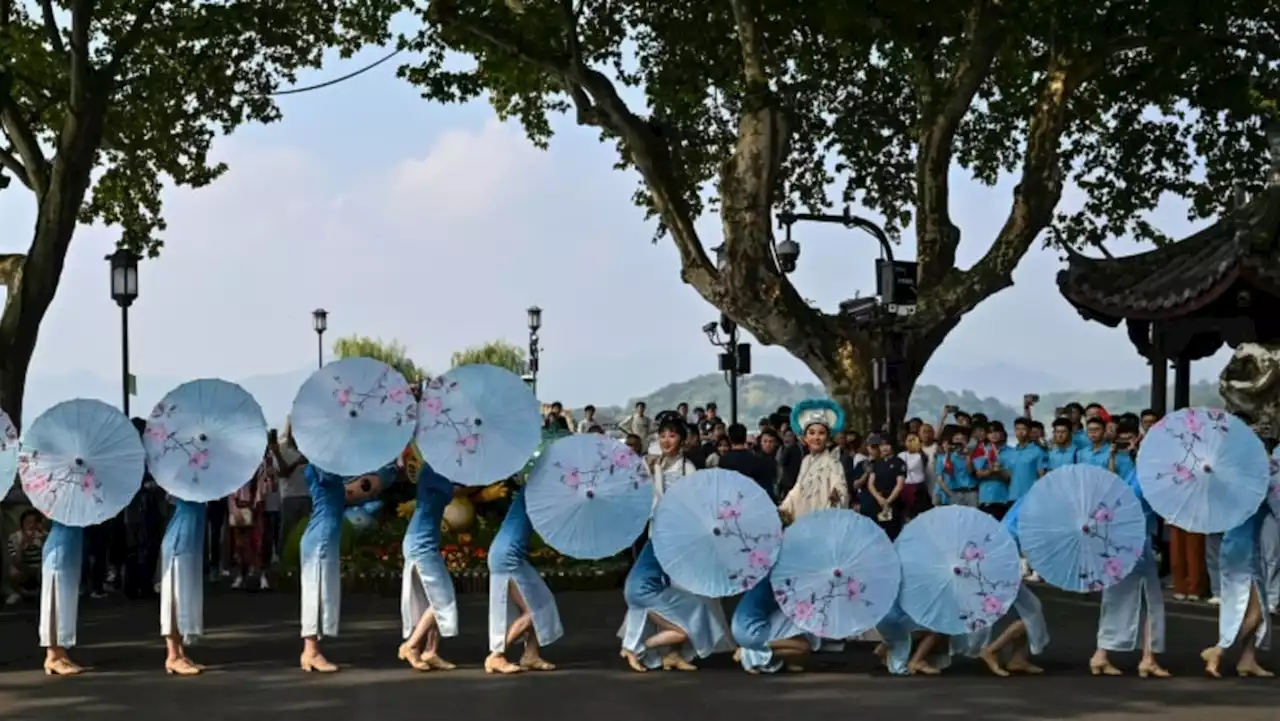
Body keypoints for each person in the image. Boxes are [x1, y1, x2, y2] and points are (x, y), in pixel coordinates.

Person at [1090, 467, 1169, 678]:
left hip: (1117, 543)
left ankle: (1102, 653)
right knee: (1151, 603)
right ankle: (1148, 659)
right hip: (1136, 545)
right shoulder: (1150, 479)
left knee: (1116, 599)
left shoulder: (1132, 475)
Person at [966, 498, 1050, 676]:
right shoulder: (1035, 507)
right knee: (1031, 612)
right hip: (1000, 562)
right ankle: (991, 650)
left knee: (1031, 608)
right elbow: (1028, 539)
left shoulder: (1029, 502)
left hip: (999, 559)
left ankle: (1017, 658)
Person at [619, 540, 732, 672]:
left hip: (636, 589)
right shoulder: (667, 543)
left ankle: (665, 654)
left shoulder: (655, 542)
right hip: (645, 592)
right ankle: (633, 648)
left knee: (688, 610)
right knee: (684, 627)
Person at [485, 486, 563, 674]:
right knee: (534, 610)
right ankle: (496, 655)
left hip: (509, 556)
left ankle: (531, 654)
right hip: (507, 557)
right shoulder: (536, 492)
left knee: (544, 602)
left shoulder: (537, 492)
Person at [1200, 502, 1273, 678]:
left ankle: (1247, 660)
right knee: (1256, 612)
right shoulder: (1258, 486)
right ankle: (1219, 650)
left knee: (1251, 607)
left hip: (1239, 546)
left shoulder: (1244, 487)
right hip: (1244, 550)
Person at [399, 460, 459, 672]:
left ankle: (431, 651)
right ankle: (411, 645)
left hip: (424, 541)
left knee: (431, 600)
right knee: (443, 600)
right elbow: (449, 490)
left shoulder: (440, 469)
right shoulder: (435, 470)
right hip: (420, 544)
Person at [298, 464, 348, 672]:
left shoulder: (324, 465)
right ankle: (310, 651)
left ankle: (312, 650)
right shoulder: (321, 465)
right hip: (320, 537)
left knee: (321, 590)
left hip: (325, 535)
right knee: (315, 592)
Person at [779, 400, 849, 523]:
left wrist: (836, 497)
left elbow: (840, 487)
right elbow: (798, 489)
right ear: (805, 438)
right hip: (805, 518)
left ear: (827, 438)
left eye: (821, 433)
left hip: (824, 520)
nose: (816, 438)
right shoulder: (806, 461)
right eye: (811, 433)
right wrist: (785, 507)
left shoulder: (833, 462)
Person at [158, 498, 207, 675]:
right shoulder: (179, 480)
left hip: (190, 539)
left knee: (186, 595)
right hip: (179, 541)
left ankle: (179, 653)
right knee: (174, 596)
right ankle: (172, 655)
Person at [731, 576, 818, 674]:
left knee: (803, 645)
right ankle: (752, 651)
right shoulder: (782, 577)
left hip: (744, 627)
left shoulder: (769, 574)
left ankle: (758, 653)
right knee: (804, 645)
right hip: (751, 630)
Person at [40, 521, 85, 675]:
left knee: (65, 600)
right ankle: (54, 654)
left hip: (68, 544)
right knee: (57, 598)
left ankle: (59, 652)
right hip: (59, 551)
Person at [717, 423, 777, 502]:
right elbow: (767, 489)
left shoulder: (723, 461)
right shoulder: (757, 460)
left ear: (730, 439)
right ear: (745, 438)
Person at [6, 509, 45, 604]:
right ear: (22, 524)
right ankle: (18, 592)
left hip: (40, 569)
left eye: (34, 522)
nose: (31, 525)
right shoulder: (14, 538)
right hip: (25, 568)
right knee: (13, 571)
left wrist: (41, 542)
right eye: (28, 522)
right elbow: (16, 562)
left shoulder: (43, 536)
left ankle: (41, 592)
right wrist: (22, 547)